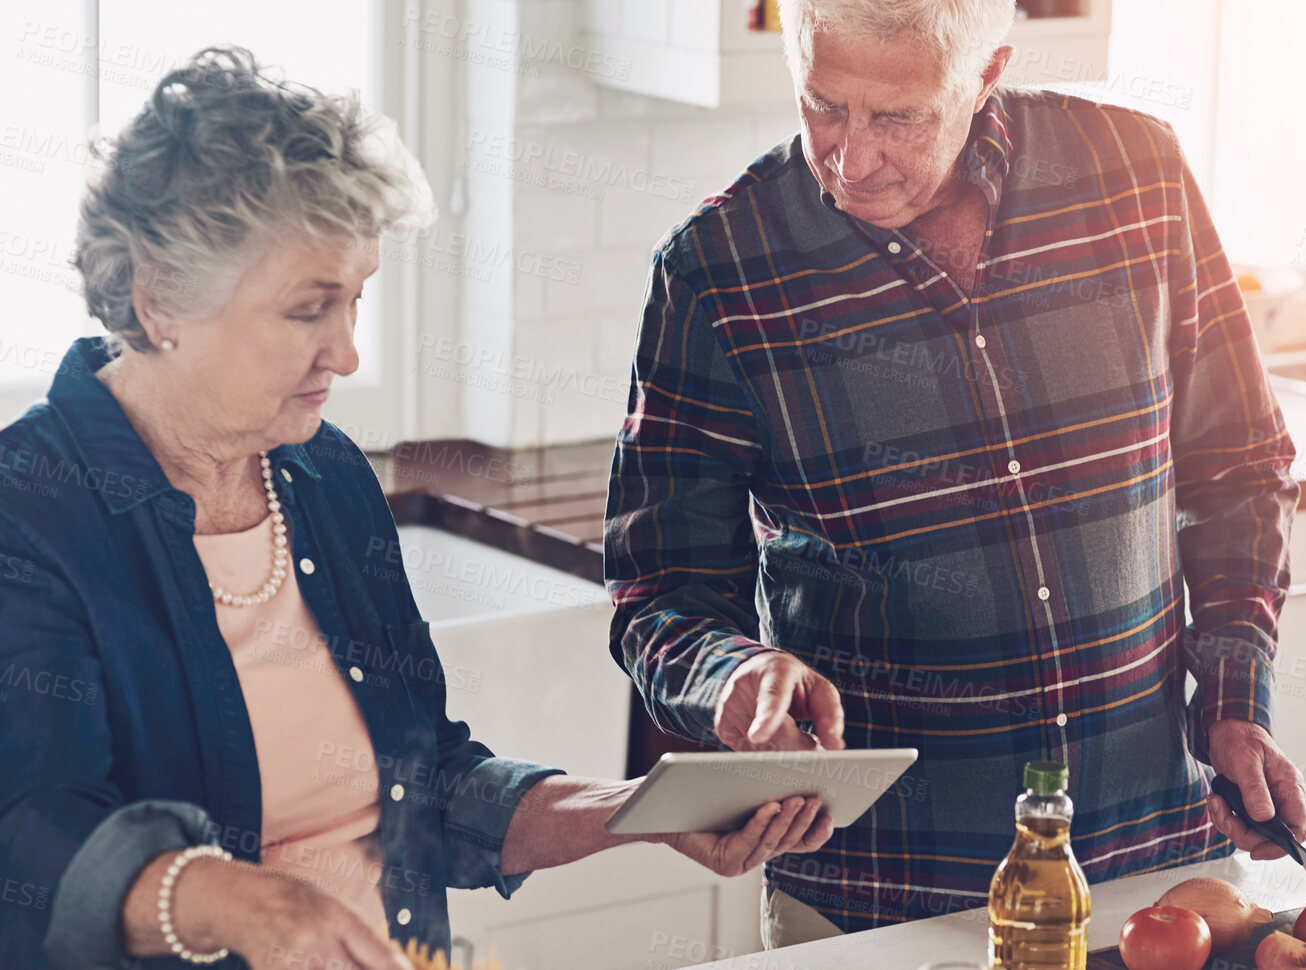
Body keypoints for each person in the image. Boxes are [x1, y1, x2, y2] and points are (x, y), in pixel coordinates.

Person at [0, 47, 831, 970]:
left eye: (357, 301)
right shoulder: (32, 512)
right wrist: (243, 906)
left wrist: (651, 813)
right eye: (308, 310)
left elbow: (428, 787)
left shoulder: (324, 479)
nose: (348, 354)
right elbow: (28, 834)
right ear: (160, 301)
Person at [606, 0, 1305, 946]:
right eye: (822, 105)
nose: (851, 159)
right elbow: (660, 590)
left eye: (896, 119)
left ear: (986, 74)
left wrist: (1231, 701)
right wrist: (731, 674)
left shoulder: (1138, 178)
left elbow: (1239, 467)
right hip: (885, 897)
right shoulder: (717, 270)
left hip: (1152, 870)